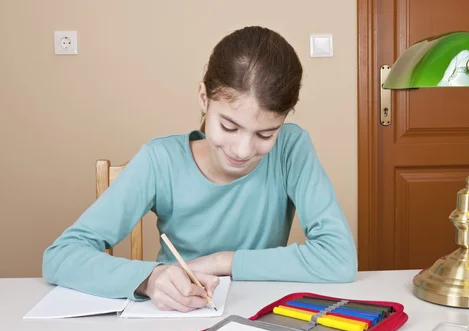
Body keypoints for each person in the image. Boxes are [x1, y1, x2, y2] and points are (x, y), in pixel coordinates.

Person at [42, 26, 357, 313]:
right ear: (204, 98)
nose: (243, 151)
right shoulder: (159, 160)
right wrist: (148, 279)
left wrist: (220, 262)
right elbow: (61, 256)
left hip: (256, 315)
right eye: (229, 126)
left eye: (265, 135)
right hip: (171, 317)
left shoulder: (292, 147)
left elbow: (339, 259)